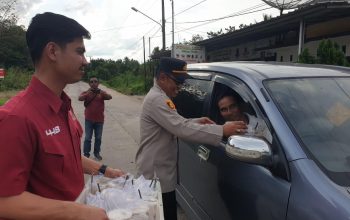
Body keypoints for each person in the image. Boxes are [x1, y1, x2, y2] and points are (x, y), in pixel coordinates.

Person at [0, 12, 124, 220]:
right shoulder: (16, 118)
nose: (85, 61)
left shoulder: (63, 106)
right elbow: (4, 202)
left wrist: (104, 170)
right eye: (79, 52)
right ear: (53, 51)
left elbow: (67, 157)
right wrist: (74, 211)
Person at [135, 57, 248, 220]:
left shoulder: (160, 97)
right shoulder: (157, 99)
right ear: (162, 78)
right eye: (178, 81)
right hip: (155, 175)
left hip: (160, 173)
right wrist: (222, 129)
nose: (180, 87)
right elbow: (180, 128)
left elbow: (174, 123)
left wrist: (196, 121)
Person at [79, 76, 112, 160]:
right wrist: (87, 93)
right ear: (89, 84)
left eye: (95, 81)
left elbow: (110, 97)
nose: (93, 83)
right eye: (92, 82)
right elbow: (80, 98)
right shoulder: (86, 92)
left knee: (98, 138)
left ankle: (97, 153)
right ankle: (86, 154)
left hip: (99, 120)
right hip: (89, 120)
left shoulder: (101, 92)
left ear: (98, 83)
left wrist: (102, 94)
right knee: (87, 138)